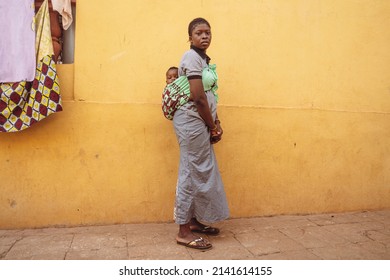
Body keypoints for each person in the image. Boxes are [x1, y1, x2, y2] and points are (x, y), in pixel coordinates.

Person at [173, 17, 229, 250]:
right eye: (199, 33)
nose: (204, 36)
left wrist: (215, 121)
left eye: (208, 32)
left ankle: (194, 221)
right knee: (190, 169)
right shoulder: (191, 58)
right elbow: (197, 97)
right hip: (191, 122)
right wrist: (212, 126)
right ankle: (183, 231)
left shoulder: (203, 60)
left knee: (198, 169)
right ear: (190, 37)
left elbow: (209, 93)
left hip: (201, 122)